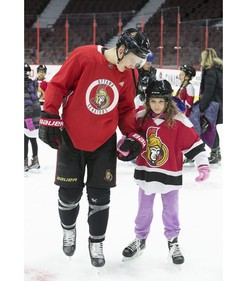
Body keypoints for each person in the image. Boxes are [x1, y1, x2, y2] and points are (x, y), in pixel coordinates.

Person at [38, 28, 151, 268]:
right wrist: (49, 113)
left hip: (103, 144)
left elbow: (125, 108)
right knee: (69, 194)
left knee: (101, 197)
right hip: (71, 139)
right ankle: (69, 229)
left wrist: (131, 133)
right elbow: (58, 85)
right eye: (134, 59)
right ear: (121, 50)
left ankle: (96, 242)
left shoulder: (129, 73)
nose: (136, 65)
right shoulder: (84, 56)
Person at [120, 80, 210, 265]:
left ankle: (173, 241)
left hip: (169, 175)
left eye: (161, 102)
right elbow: (126, 136)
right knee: (143, 210)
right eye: (153, 101)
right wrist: (123, 147)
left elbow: (196, 145)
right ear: (148, 101)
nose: (157, 105)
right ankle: (140, 239)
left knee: (171, 211)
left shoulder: (179, 121)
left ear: (168, 101)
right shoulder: (141, 117)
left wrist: (203, 165)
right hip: (146, 173)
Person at [198, 48, 223, 164]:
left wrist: (202, 107)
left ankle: (215, 153)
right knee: (212, 129)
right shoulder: (218, 70)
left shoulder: (210, 71)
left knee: (209, 129)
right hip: (217, 103)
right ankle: (216, 153)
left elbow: (208, 91)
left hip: (212, 105)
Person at [24, 63, 41, 172]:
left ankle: (24, 162)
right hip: (35, 116)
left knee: (24, 140)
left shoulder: (24, 85)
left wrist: (28, 119)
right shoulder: (31, 84)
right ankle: (35, 161)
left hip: (28, 116)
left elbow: (27, 103)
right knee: (32, 139)